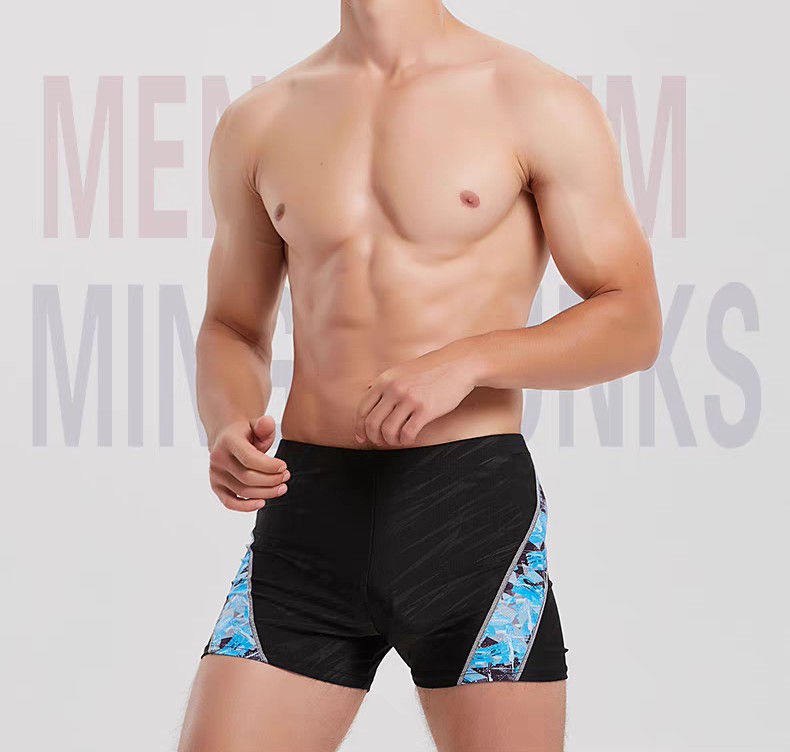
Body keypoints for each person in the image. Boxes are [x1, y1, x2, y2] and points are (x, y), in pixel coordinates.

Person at [177, 1, 662, 750]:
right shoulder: (262, 119)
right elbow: (233, 326)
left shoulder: (531, 99)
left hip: (469, 518)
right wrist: (227, 422)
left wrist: (470, 360)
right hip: (306, 514)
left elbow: (632, 319)